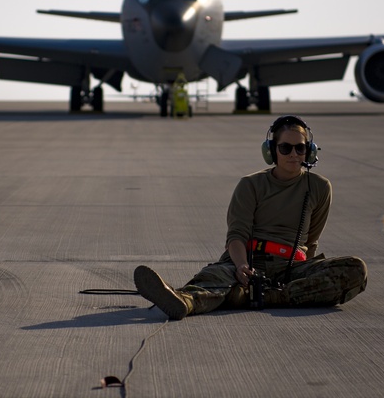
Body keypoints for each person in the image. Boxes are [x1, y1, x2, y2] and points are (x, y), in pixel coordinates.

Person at [133, 115, 367, 320]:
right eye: (285, 148)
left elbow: (311, 240)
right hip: (250, 260)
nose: (294, 154)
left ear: (310, 150)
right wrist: (241, 265)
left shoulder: (319, 187)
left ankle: (257, 297)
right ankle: (184, 302)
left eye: (300, 148)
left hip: (292, 266)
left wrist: (308, 277)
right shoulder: (250, 185)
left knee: (355, 269)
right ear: (272, 150)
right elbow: (236, 235)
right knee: (214, 278)